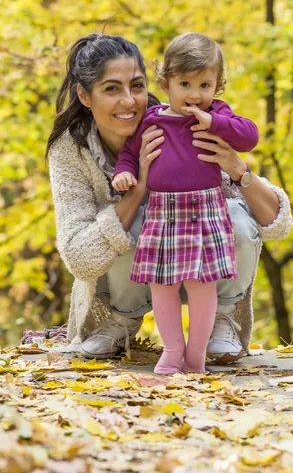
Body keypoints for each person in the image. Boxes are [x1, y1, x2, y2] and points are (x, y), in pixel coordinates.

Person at [46, 33, 292, 364]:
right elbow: (79, 256)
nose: (129, 101)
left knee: (231, 217)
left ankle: (220, 317)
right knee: (130, 223)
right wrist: (140, 187)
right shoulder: (70, 149)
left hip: (199, 264)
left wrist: (237, 168)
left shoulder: (188, 122)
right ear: (84, 95)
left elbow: (276, 225)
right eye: (111, 89)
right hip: (139, 272)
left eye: (136, 86)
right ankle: (122, 318)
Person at [111, 32, 259, 374]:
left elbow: (249, 136)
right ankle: (172, 351)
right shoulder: (152, 118)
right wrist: (124, 174)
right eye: (185, 83)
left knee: (201, 286)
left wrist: (217, 122)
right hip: (162, 213)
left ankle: (195, 355)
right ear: (165, 83)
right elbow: (130, 155)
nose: (195, 94)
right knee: (161, 285)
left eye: (205, 85)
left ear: (217, 86)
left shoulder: (217, 114)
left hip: (205, 211)